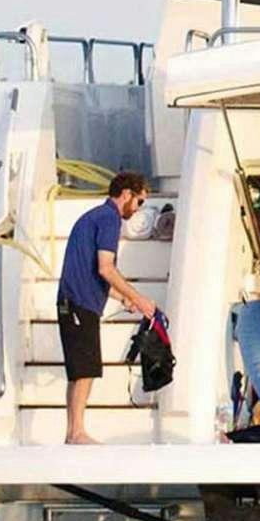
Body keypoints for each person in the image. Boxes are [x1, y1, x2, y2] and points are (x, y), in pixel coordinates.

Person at [56, 171, 156, 445]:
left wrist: (122, 298)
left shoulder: (94, 217)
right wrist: (140, 299)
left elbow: (93, 273)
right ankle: (77, 433)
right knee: (85, 370)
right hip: (79, 303)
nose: (138, 209)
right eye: (139, 202)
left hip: (73, 301)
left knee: (80, 371)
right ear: (127, 194)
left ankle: (72, 433)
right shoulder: (110, 219)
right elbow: (106, 268)